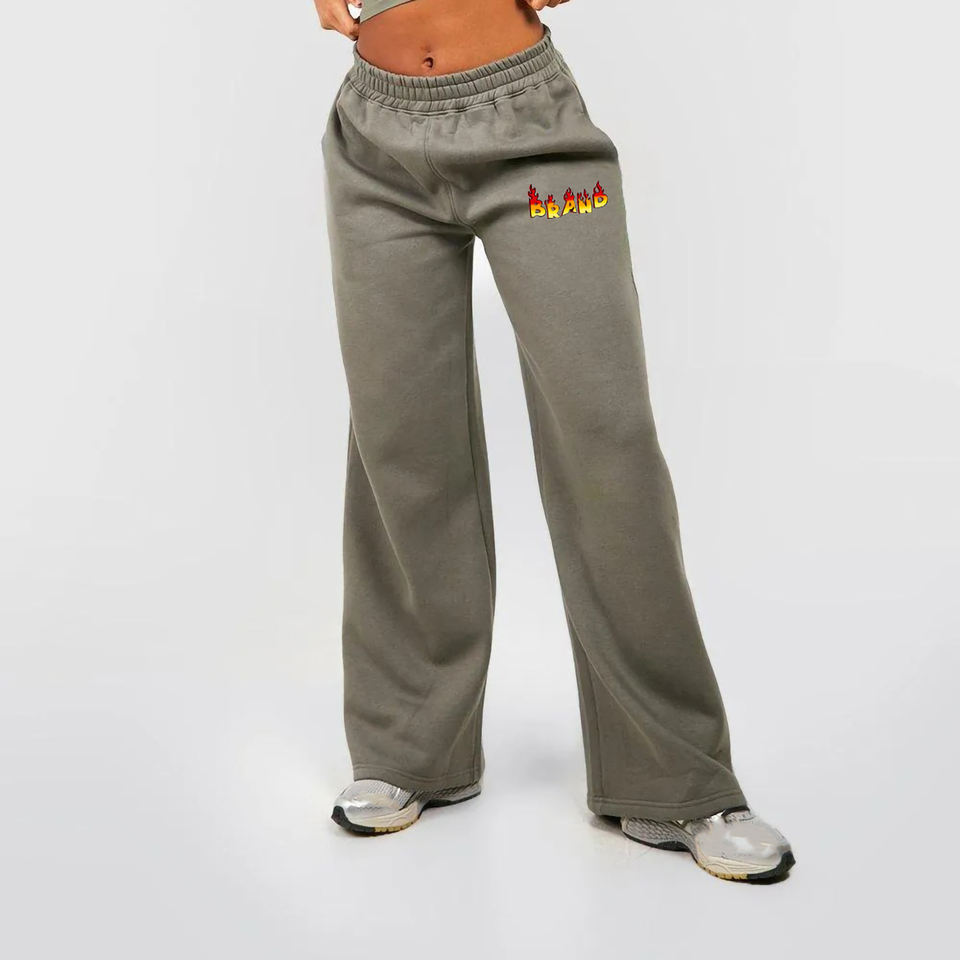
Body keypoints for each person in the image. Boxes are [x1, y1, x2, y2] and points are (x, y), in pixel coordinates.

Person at [315, 0, 794, 882]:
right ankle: (409, 746)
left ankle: (675, 776)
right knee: (400, 437)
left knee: (604, 439)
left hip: (531, 133)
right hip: (374, 135)